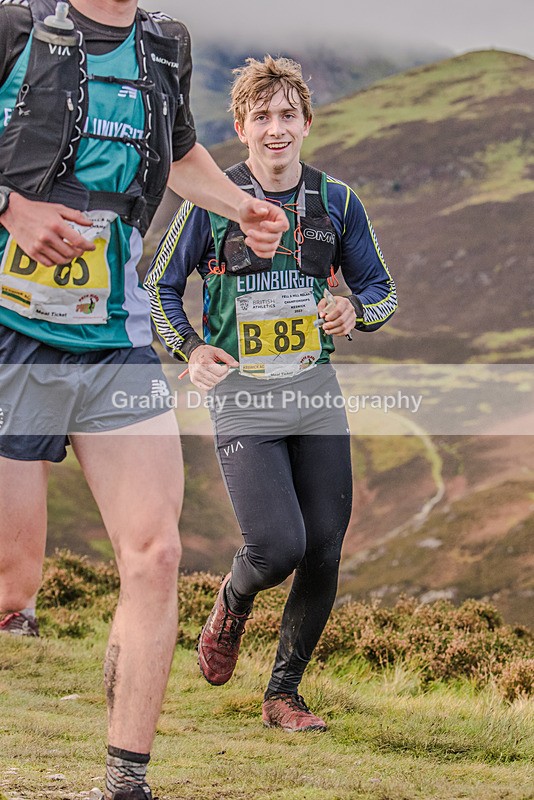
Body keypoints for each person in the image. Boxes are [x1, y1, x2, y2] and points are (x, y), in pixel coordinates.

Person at [0, 2, 287, 798]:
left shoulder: (164, 44)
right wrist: (11, 208)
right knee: (10, 585)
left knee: (156, 555)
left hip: (113, 339)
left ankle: (126, 780)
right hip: (9, 333)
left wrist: (240, 206)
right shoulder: (16, 28)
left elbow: (179, 152)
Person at [145, 55, 397, 733]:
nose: (276, 128)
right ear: (242, 126)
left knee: (323, 549)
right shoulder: (213, 199)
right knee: (276, 544)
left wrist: (355, 312)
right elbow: (160, 289)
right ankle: (232, 599)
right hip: (242, 397)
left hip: (315, 391)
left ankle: (284, 694)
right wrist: (192, 348)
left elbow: (381, 291)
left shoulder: (337, 202)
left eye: (288, 115)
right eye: (263, 117)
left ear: (306, 123)